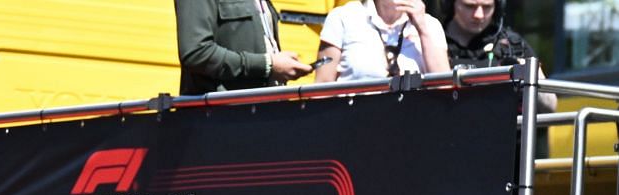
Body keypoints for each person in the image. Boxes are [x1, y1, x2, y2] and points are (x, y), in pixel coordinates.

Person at [174, 0, 311, 94]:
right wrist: (267, 64)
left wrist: (281, 64)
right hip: (223, 119)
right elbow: (196, 53)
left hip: (265, 112)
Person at [315, 0, 450, 81]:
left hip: (411, 119)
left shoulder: (430, 24)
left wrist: (422, 29)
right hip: (353, 120)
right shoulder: (343, 17)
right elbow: (322, 86)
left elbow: (445, 86)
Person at [437, 0, 535, 68]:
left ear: (498, 7)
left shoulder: (514, 46)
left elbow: (546, 96)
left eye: (487, 7)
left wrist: (531, 72)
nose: (479, 15)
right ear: (449, 4)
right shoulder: (430, 43)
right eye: (469, 6)